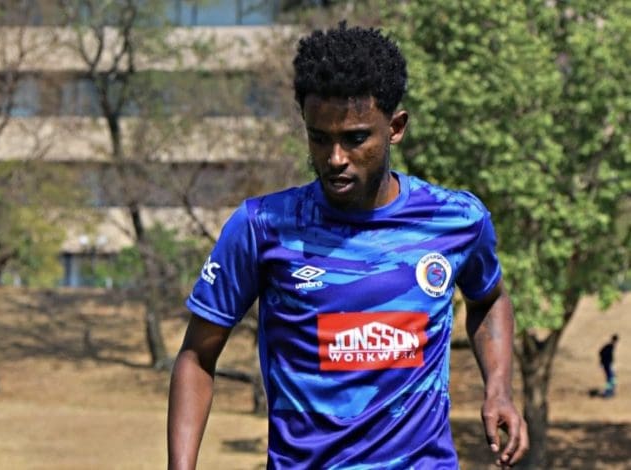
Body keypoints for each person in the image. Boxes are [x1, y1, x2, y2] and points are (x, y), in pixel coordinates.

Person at [168, 22, 529, 469]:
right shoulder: (263, 227)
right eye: (320, 138)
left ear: (395, 128)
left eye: (355, 138)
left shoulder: (456, 221)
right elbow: (197, 356)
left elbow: (489, 298)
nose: (335, 158)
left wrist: (499, 390)